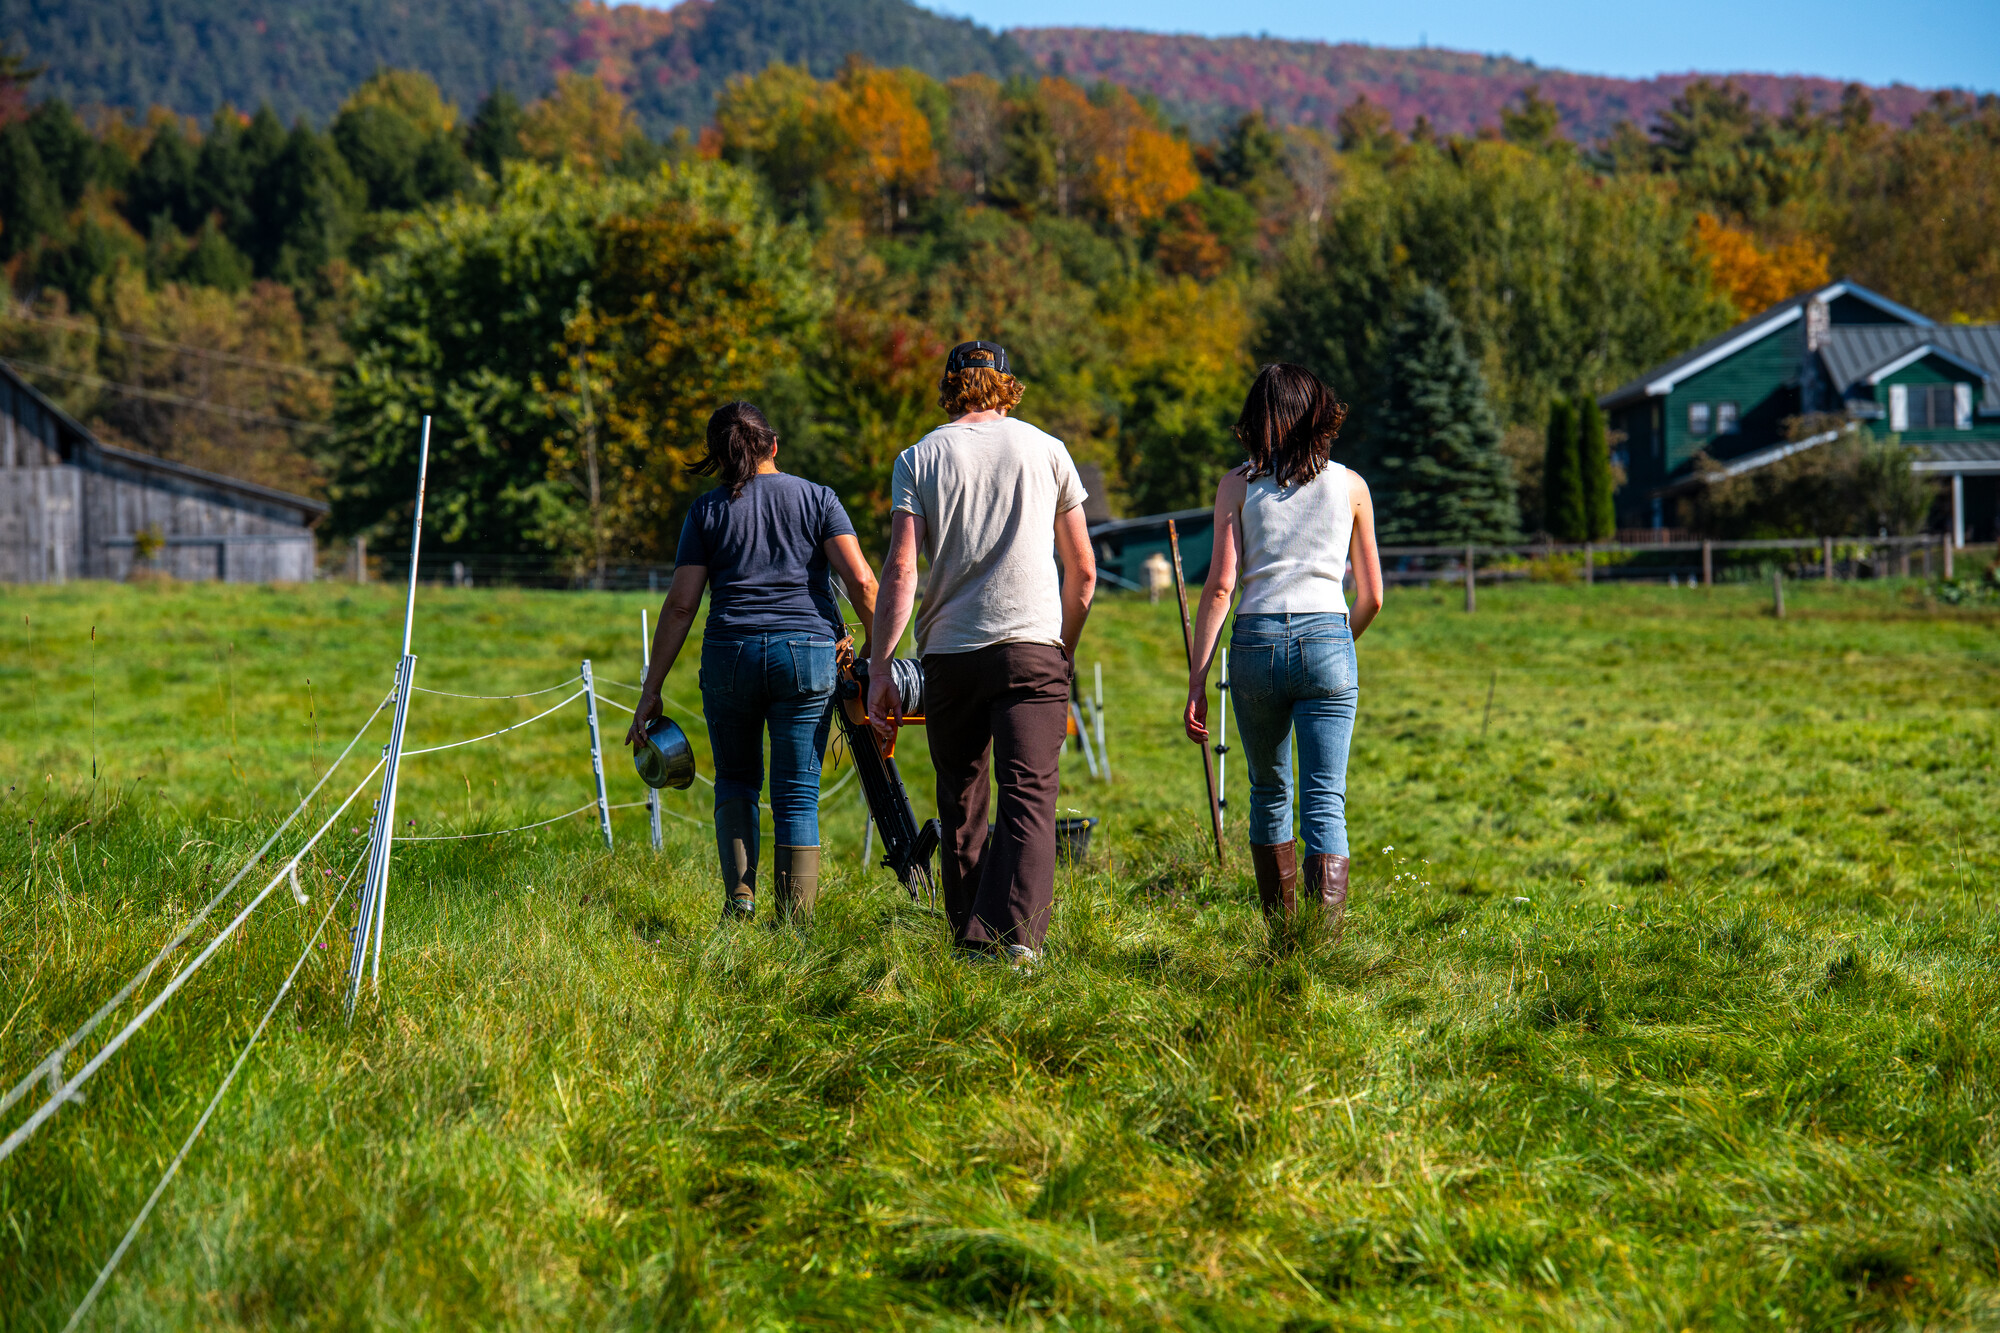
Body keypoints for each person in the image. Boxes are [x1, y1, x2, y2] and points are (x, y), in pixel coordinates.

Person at [868, 341, 1096, 966]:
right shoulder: (1049, 449)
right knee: (1029, 796)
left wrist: (882, 666)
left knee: (961, 798)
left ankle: (968, 940)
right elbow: (1083, 572)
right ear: (1007, 385)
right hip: (1032, 646)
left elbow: (902, 569)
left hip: (949, 652)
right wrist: (1061, 649)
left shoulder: (918, 458)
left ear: (949, 386)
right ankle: (1015, 942)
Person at [629, 401, 880, 923]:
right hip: (807, 656)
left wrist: (652, 689)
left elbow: (681, 605)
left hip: (730, 656)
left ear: (720, 457)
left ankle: (740, 900)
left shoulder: (706, 512)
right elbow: (861, 583)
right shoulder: (818, 499)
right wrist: (880, 660)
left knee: (737, 781)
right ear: (773, 445)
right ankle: (794, 927)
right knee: (796, 793)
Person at [1183, 364, 1384, 930]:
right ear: (1319, 413)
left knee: (1268, 789)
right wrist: (1339, 644)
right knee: (1326, 797)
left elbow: (1222, 585)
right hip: (1328, 634)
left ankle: (1282, 937)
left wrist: (1198, 681)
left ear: (1256, 418)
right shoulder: (1350, 485)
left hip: (1255, 642)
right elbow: (1372, 596)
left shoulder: (1236, 485)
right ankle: (1321, 941)